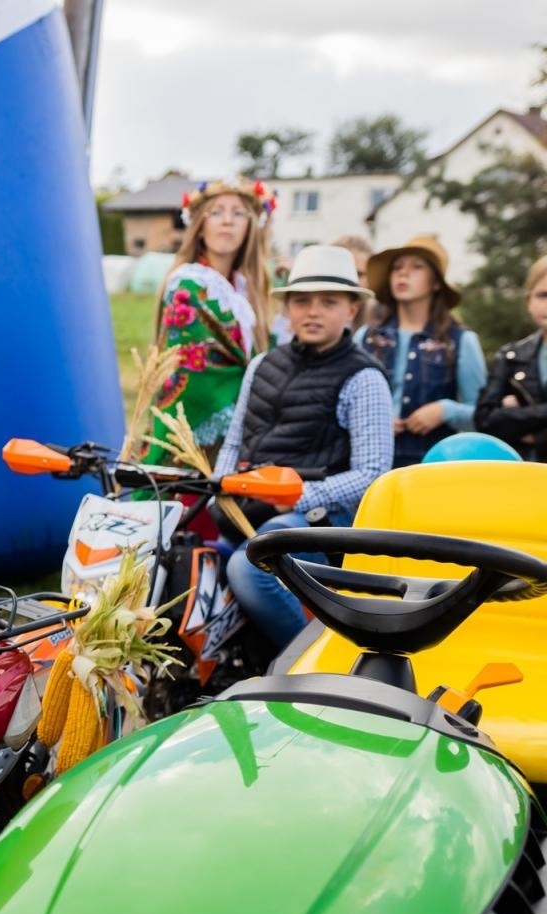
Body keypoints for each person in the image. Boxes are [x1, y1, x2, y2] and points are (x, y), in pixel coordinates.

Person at [215, 244, 393, 649]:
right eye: (302, 301)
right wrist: (218, 483)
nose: (313, 311)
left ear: (351, 310)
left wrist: (299, 494)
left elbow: (373, 475)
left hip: (325, 519)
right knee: (187, 556)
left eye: (328, 302)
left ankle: (311, 669)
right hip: (249, 508)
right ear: (287, 309)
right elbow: (234, 441)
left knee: (253, 568)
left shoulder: (364, 378)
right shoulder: (262, 365)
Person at [144, 177, 276, 464]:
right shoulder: (188, 285)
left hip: (246, 431)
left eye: (238, 213)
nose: (227, 221)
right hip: (198, 429)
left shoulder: (247, 290)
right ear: (200, 227)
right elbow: (196, 371)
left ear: (250, 226)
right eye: (216, 212)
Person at [354, 234, 485, 467]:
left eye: (417, 267)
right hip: (368, 464)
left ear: (436, 283)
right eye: (397, 268)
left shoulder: (462, 341)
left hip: (432, 468)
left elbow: (483, 417)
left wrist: (446, 410)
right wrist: (374, 419)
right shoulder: (365, 337)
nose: (403, 273)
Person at [475, 253, 547, 461]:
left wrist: (537, 435)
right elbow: (485, 420)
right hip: (527, 474)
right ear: (528, 301)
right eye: (543, 295)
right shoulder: (511, 356)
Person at [274, 234, 376, 345]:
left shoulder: (381, 325)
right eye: (340, 274)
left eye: (359, 274)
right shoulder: (296, 321)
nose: (353, 281)